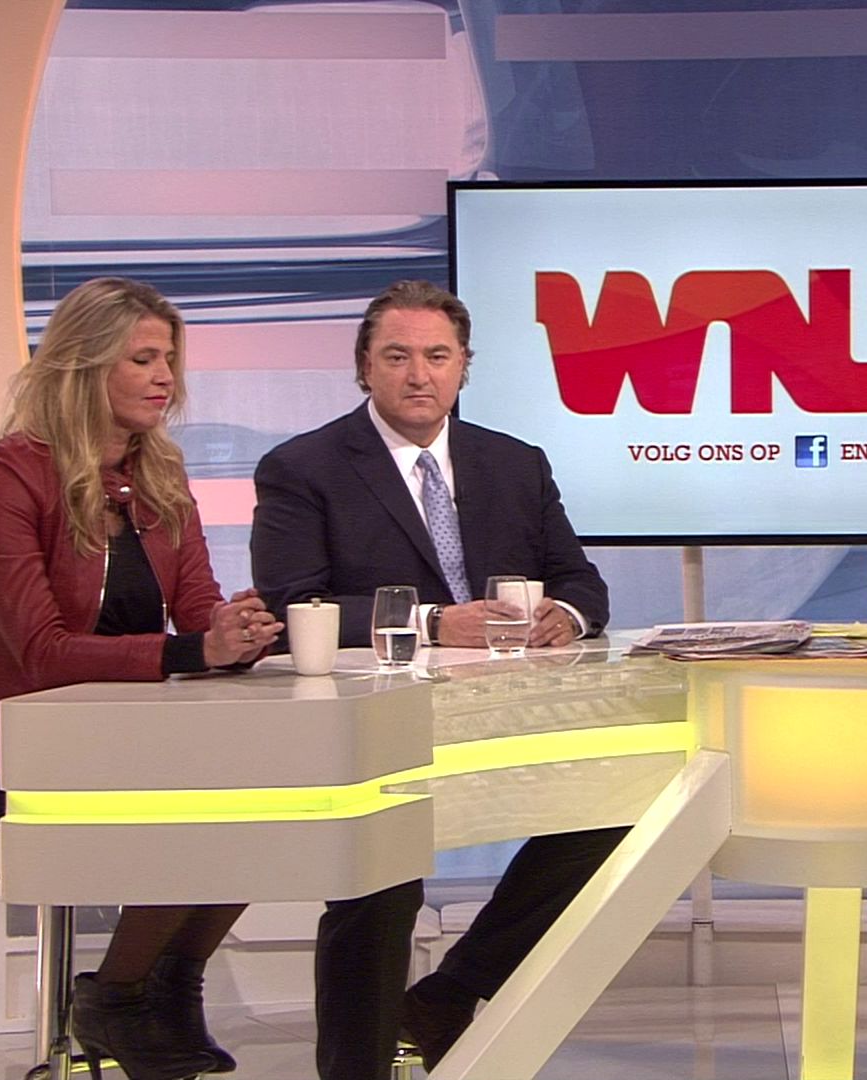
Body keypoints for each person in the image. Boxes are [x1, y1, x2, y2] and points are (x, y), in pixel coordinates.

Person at [0, 277, 282, 1080]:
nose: (164, 377)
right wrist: (191, 652)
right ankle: (116, 996)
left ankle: (166, 990)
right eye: (142, 359)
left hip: (118, 730)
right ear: (83, 365)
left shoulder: (160, 473)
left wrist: (238, 631)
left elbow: (197, 608)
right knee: (201, 803)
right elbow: (42, 651)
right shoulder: (8, 477)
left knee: (277, 795)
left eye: (169, 359)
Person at [250, 279, 616, 1080]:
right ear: (364, 367)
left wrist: (565, 616)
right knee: (380, 884)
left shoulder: (515, 463)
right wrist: (432, 623)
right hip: (377, 729)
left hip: (505, 716)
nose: (419, 375)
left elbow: (582, 583)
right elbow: (291, 605)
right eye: (398, 357)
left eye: (437, 356)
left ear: (463, 367)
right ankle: (355, 1067)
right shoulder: (304, 467)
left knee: (614, 810)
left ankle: (451, 992)